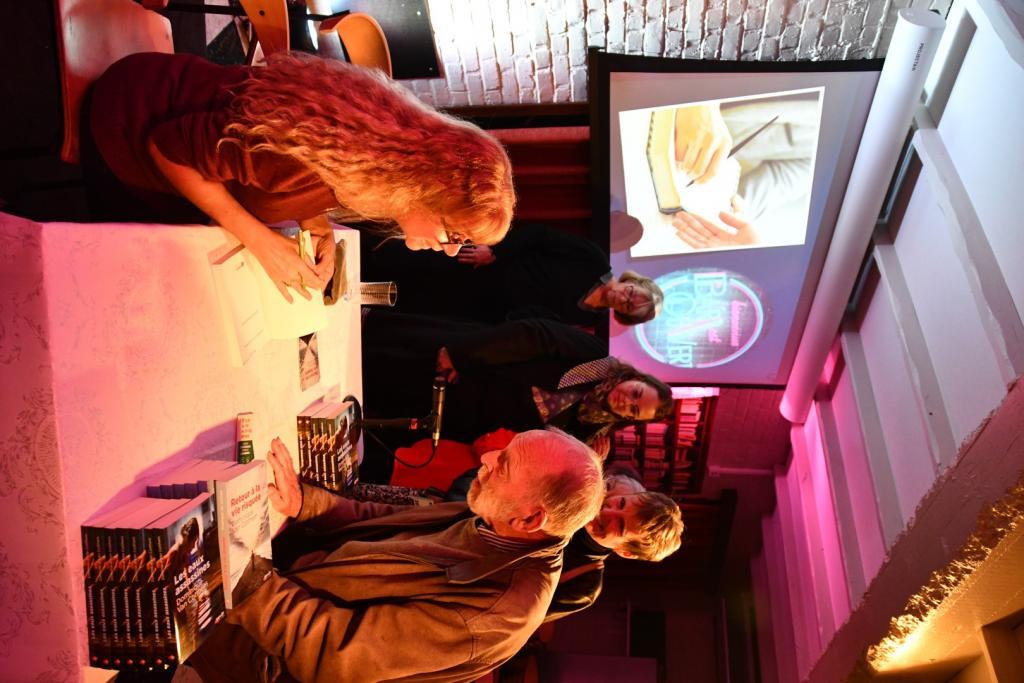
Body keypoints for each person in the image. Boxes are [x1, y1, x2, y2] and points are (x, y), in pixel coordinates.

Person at [82, 51, 514, 300]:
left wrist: (315, 223)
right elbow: (167, 148)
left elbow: (294, 182)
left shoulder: (373, 157)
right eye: (454, 235)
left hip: (157, 97)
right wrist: (258, 239)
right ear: (427, 190)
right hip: (124, 128)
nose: (448, 250)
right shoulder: (308, 157)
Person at [182, 431, 604, 682]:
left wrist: (243, 578)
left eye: (505, 464)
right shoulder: (500, 517)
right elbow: (384, 519)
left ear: (531, 519)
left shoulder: (499, 611)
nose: (487, 458)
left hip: (257, 651)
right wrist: (306, 504)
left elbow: (333, 651)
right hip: (274, 589)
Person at [361, 313, 674, 457]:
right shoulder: (595, 359)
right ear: (635, 378)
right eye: (636, 393)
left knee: (365, 397)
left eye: (634, 410)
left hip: (448, 410)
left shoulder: (585, 433)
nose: (626, 402)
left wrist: (585, 456)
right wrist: (462, 356)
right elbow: (531, 334)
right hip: (462, 362)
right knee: (368, 353)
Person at [361, 221, 663, 327]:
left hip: (477, 307)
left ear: (623, 315)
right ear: (633, 283)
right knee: (406, 260)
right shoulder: (594, 260)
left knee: (408, 298)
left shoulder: (589, 317)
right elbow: (540, 235)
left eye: (628, 306)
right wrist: (495, 251)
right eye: (632, 293)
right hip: (483, 264)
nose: (624, 298)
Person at [667, 96, 819, 250]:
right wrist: (701, 103)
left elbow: (778, 182)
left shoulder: (828, 160)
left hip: (680, 161)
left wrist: (733, 209)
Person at [546, 473, 684, 621]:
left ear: (625, 552)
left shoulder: (584, 586)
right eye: (621, 503)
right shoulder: (577, 489)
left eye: (620, 525)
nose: (607, 512)